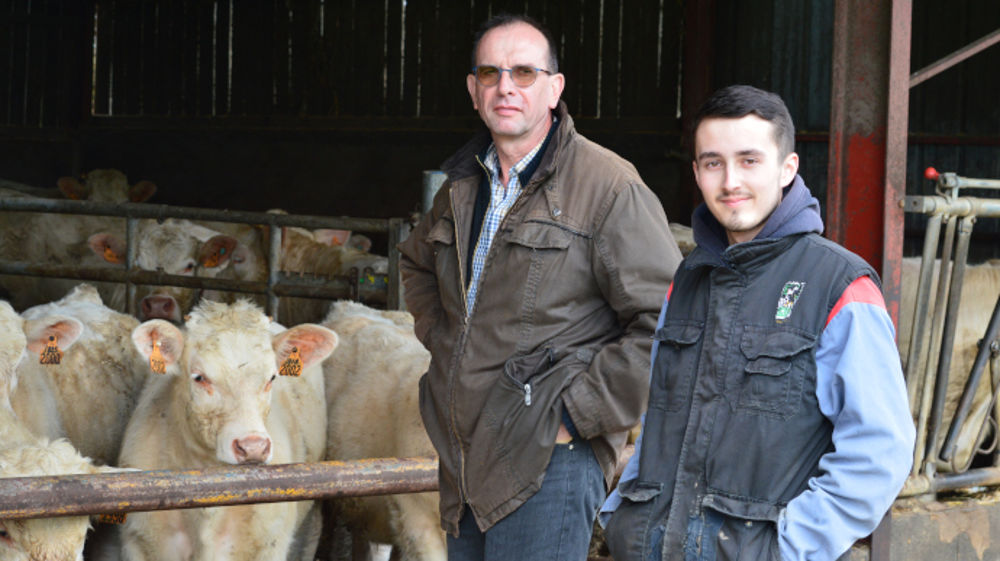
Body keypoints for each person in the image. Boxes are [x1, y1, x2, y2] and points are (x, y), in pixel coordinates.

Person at [397, 13, 683, 561]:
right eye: (490, 73)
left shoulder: (607, 186)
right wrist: (446, 340)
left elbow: (671, 320)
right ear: (473, 90)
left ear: (554, 88)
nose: (505, 87)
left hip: (549, 463)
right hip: (463, 456)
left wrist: (575, 413)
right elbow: (415, 265)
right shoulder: (460, 187)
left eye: (524, 73)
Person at [600, 84, 916, 561]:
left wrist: (789, 548)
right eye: (713, 163)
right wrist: (622, 514)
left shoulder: (838, 285)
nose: (730, 181)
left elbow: (880, 449)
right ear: (696, 173)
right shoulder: (685, 280)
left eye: (749, 160)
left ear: (787, 168)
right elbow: (660, 419)